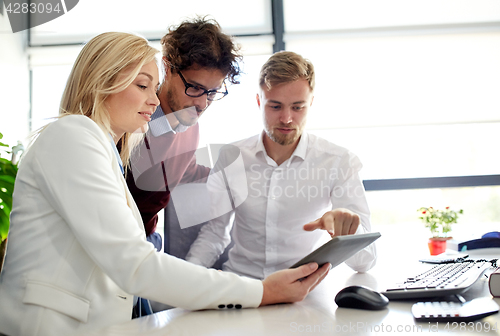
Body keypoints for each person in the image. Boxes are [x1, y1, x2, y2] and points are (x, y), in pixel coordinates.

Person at [0, 33, 330, 336]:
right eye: (143, 86)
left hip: (103, 308)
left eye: (212, 93)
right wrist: (260, 291)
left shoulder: (110, 147)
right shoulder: (74, 135)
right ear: (102, 82)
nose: (155, 102)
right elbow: (134, 262)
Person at [185, 51, 377, 280]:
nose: (286, 119)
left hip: (305, 290)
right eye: (275, 107)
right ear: (259, 102)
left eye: (298, 107)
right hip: (243, 288)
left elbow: (365, 263)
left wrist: (347, 232)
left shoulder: (339, 162)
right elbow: (215, 234)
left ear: (311, 103)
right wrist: (185, 279)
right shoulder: (230, 157)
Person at [123, 16, 239, 252]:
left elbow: (185, 171)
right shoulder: (132, 118)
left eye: (213, 92)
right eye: (194, 87)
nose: (203, 103)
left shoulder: (189, 125)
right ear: (167, 67)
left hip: (146, 240)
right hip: (115, 243)